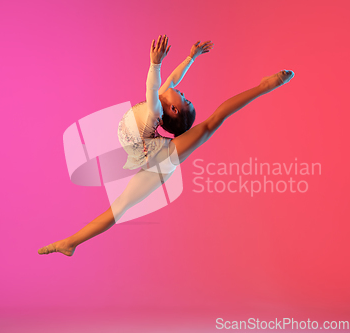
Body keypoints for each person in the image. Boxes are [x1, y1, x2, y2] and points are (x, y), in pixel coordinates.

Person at [38, 35, 294, 256]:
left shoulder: (154, 110)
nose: (181, 91)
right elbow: (172, 78)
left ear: (172, 109)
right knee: (119, 207)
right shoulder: (163, 105)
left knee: (211, 123)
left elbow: (152, 87)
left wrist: (155, 63)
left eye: (184, 98)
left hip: (161, 158)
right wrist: (191, 58)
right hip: (148, 154)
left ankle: (266, 85)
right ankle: (70, 243)